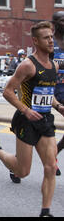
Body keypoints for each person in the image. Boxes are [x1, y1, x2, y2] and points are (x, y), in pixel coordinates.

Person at [0, 21, 62, 217]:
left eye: (51, 37)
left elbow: (48, 92)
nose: (50, 40)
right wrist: (25, 110)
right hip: (27, 120)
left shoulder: (54, 66)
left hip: (45, 120)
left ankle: (45, 211)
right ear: (35, 41)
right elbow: (8, 92)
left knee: (50, 167)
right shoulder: (27, 65)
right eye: (46, 37)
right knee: (23, 171)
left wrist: (57, 106)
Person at [51, 11, 64, 176]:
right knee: (36, 134)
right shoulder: (48, 42)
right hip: (49, 91)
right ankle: (17, 163)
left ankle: (52, 156)